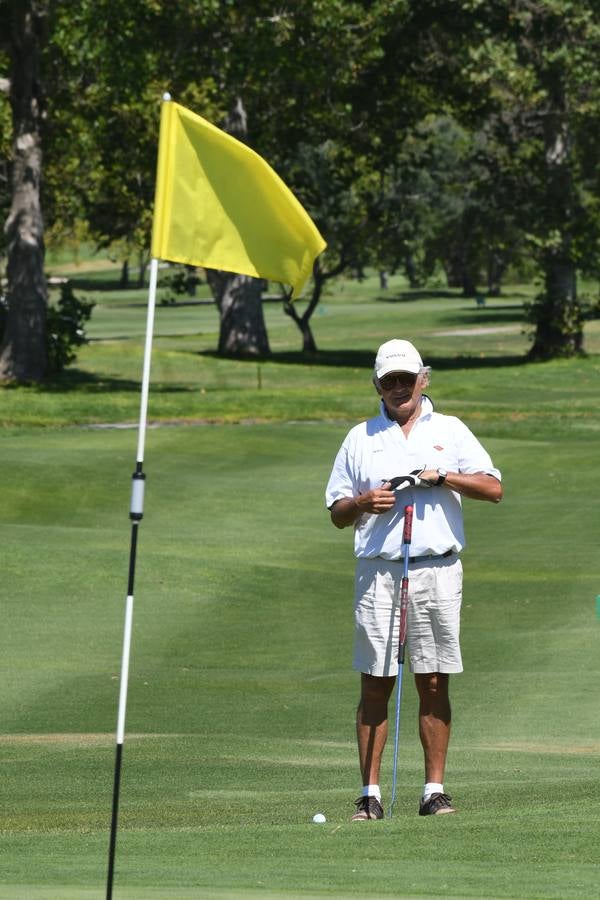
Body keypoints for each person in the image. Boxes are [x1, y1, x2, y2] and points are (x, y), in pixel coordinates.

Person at [325, 339, 502, 819]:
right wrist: (363, 503)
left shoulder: (451, 430)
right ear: (376, 384)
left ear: (423, 378)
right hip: (379, 573)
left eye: (407, 378)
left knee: (434, 681)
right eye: (389, 380)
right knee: (375, 682)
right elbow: (337, 512)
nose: (399, 387)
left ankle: (433, 789)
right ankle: (370, 794)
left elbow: (493, 487)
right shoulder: (360, 437)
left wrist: (443, 476)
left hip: (437, 570)